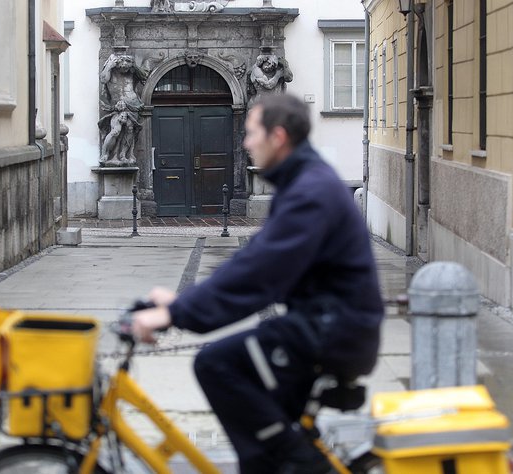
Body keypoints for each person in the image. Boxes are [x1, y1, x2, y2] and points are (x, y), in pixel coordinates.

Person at [133, 94, 384, 474]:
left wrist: (177, 314)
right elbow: (252, 261)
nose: (245, 143)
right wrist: (182, 303)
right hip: (327, 323)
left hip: (333, 331)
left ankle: (308, 465)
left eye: (251, 134)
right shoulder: (303, 181)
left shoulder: (309, 192)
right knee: (262, 448)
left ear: (278, 137)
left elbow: (260, 274)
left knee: (217, 364)